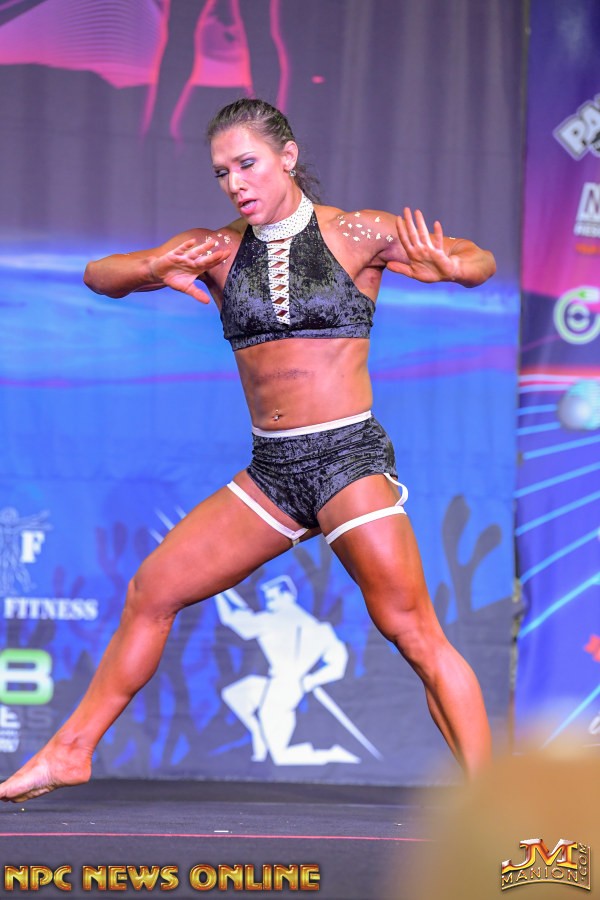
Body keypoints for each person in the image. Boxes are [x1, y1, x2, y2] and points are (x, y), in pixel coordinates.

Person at [0, 98, 496, 802]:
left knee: (411, 630)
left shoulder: (355, 233)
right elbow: (99, 275)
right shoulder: (218, 248)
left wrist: (457, 267)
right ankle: (70, 752)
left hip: (347, 458)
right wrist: (153, 265)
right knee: (152, 590)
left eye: (247, 164)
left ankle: (493, 806)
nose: (235, 183)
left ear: (287, 157)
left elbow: (479, 258)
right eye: (222, 172)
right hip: (273, 471)